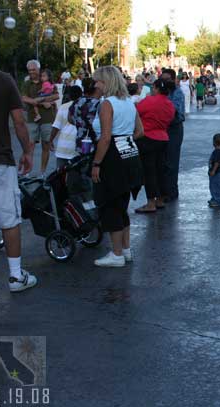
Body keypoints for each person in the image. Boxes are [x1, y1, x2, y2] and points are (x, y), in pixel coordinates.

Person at [0, 66, 36, 292]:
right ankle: (16, 276)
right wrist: (27, 151)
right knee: (8, 217)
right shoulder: (3, 80)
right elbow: (18, 121)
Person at [90, 66, 145, 267]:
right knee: (122, 205)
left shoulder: (107, 104)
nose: (96, 85)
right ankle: (126, 250)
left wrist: (97, 163)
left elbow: (104, 138)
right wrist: (125, 138)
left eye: (98, 81)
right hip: (130, 155)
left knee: (111, 204)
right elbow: (140, 131)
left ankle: (116, 254)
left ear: (106, 82)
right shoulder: (129, 102)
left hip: (112, 157)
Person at [135, 79, 175, 213]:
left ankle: (150, 202)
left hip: (147, 138)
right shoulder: (170, 104)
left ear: (156, 88)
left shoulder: (149, 101)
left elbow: (136, 112)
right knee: (161, 170)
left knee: (149, 172)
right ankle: (160, 200)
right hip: (163, 138)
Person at [21, 60, 59, 176]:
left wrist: (41, 100)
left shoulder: (46, 80)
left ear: (38, 69)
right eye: (29, 70)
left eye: (33, 69)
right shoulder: (27, 83)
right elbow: (24, 98)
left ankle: (42, 172)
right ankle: (28, 171)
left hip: (47, 118)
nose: (31, 72)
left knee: (46, 145)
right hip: (33, 118)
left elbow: (56, 95)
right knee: (30, 145)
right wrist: (40, 102)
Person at [160, 68, 186, 202]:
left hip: (174, 128)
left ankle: (171, 192)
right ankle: (163, 190)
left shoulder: (177, 93)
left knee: (171, 161)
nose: (164, 82)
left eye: (167, 80)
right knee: (162, 161)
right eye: (162, 79)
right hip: (162, 128)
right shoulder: (161, 92)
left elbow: (177, 112)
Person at [50, 86, 82, 167]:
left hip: (63, 147)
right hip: (78, 148)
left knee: (60, 175)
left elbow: (56, 127)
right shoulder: (85, 106)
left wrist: (50, 140)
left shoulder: (63, 107)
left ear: (69, 96)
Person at [70, 78, 101, 157]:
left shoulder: (76, 102)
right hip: (95, 142)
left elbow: (69, 118)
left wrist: (80, 123)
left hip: (81, 141)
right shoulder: (98, 104)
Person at [208, 134, 220, 208]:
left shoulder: (217, 152)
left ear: (214, 142)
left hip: (217, 173)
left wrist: (213, 171)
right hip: (218, 172)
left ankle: (217, 201)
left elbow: (217, 162)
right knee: (213, 187)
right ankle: (214, 199)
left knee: (216, 187)